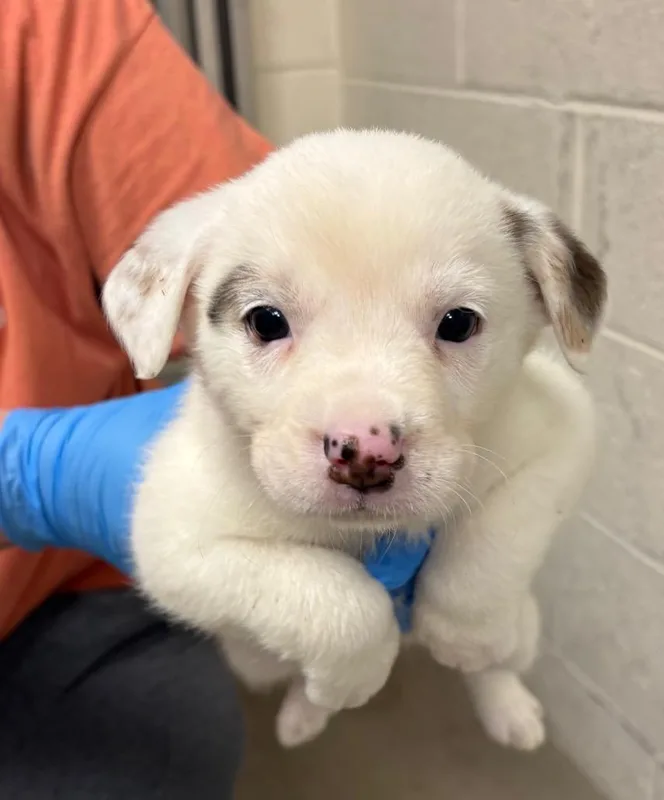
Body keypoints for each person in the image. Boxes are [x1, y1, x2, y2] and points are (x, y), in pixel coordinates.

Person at [0, 2, 429, 797]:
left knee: (174, 744)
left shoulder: (45, 25)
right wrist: (24, 475)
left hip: (68, 583)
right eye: (269, 325)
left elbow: (292, 237)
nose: (368, 442)